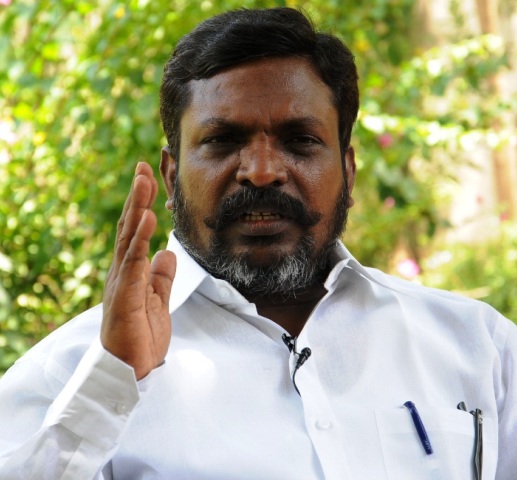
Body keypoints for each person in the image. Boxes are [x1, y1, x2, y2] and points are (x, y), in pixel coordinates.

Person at [0, 6, 516, 479]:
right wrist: (110, 384)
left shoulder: (479, 348)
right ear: (172, 175)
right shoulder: (68, 375)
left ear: (349, 171)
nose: (263, 171)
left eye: (300, 140)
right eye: (222, 141)